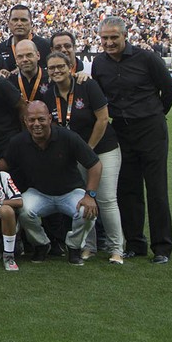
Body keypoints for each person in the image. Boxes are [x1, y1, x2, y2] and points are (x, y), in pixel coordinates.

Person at [91, 16, 172, 263]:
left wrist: (155, 113)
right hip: (121, 131)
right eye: (104, 38)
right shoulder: (99, 63)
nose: (109, 42)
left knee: (157, 189)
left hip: (151, 129)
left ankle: (162, 248)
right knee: (128, 189)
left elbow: (169, 90)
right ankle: (135, 244)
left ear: (125, 36)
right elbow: (99, 96)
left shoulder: (147, 58)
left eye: (113, 37)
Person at [45, 51, 124, 264]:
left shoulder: (87, 85)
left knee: (106, 199)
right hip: (76, 156)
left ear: (70, 67)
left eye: (60, 66)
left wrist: (87, 149)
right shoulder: (49, 94)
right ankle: (89, 246)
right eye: (52, 68)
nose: (56, 71)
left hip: (103, 149)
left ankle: (117, 248)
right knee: (84, 200)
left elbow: (103, 118)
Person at [4, 101, 101, 265]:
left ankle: (74, 247)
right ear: (25, 121)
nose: (36, 124)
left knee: (87, 211)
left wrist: (90, 195)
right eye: (32, 120)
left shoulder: (68, 137)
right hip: (39, 193)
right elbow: (7, 163)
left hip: (71, 192)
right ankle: (41, 244)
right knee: (23, 209)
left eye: (41, 119)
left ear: (50, 118)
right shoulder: (18, 142)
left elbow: (95, 164)